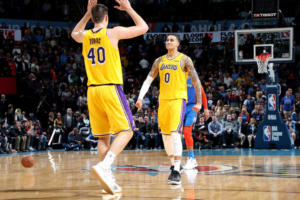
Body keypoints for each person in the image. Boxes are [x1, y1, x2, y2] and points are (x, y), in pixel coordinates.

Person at [71, 0, 148, 194]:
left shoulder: (86, 35)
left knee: (103, 137)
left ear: (93, 18)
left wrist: (87, 13)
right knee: (128, 131)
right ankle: (105, 167)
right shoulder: (112, 32)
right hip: (110, 88)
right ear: (106, 18)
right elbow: (143, 27)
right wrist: (129, 8)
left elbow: (74, 33)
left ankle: (107, 178)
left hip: (92, 91)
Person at [136, 34, 202, 185]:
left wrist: (198, 102)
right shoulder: (159, 60)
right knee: (166, 136)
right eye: (167, 40)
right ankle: (173, 165)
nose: (168, 42)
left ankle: (177, 170)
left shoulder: (185, 59)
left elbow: (196, 81)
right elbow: (148, 79)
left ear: (178, 43)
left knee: (174, 133)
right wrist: (140, 97)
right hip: (163, 101)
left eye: (172, 40)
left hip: (178, 100)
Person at [183, 77, 209, 170]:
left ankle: (192, 158)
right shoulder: (178, 77)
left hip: (191, 108)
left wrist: (206, 109)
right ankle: (176, 160)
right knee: (176, 134)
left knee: (187, 132)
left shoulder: (194, 79)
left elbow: (203, 94)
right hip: (179, 108)